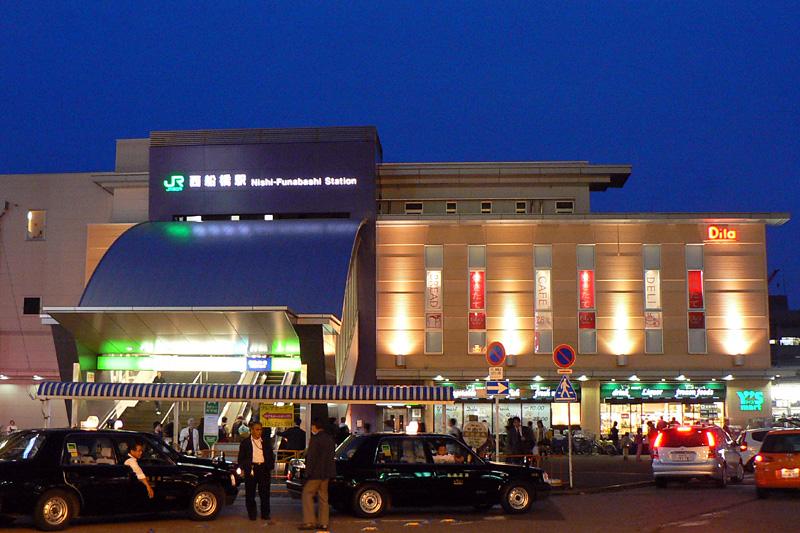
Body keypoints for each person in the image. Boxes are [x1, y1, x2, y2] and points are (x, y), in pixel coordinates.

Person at [299, 418, 336, 531]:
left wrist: (307, 472)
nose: (311, 428)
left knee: (307, 494)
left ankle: (309, 521)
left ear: (315, 427)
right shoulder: (330, 439)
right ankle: (324, 523)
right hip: (327, 472)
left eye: (312, 426)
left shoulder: (315, 439)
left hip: (316, 473)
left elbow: (311, 457)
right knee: (323, 497)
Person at [238, 421, 274, 521]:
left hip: (264, 469)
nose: (259, 431)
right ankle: (252, 514)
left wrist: (269, 467)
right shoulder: (245, 443)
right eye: (257, 429)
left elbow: (270, 455)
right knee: (250, 493)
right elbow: (241, 458)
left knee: (265, 493)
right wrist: (244, 467)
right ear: (252, 430)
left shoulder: (266, 442)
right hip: (252, 469)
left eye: (260, 429)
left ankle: (265, 514)